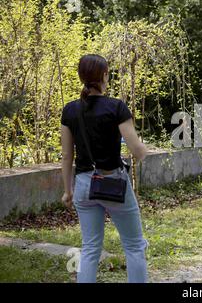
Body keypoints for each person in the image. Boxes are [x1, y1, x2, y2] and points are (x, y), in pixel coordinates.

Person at [61, 54, 149, 282]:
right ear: (103, 76)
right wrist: (143, 148)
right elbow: (137, 151)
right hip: (112, 183)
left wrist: (67, 191)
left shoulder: (70, 111)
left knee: (90, 248)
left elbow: (66, 156)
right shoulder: (116, 107)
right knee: (134, 246)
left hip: (82, 186)